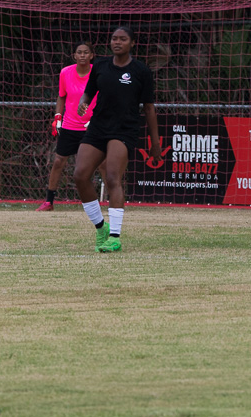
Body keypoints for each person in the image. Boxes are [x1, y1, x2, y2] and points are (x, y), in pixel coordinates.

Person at [73, 26, 161, 252]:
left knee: (112, 177)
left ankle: (114, 237)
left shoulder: (140, 71)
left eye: (123, 39)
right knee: (80, 175)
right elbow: (89, 91)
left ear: (132, 43)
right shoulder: (100, 65)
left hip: (124, 130)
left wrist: (155, 143)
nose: (117, 42)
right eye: (114, 39)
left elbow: (149, 108)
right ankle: (101, 228)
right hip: (98, 127)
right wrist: (84, 102)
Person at [37, 42, 103, 211]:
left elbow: (104, 98)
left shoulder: (98, 72)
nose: (82, 55)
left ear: (91, 55)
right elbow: (62, 96)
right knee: (58, 161)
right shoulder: (66, 72)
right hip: (70, 126)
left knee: (103, 164)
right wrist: (57, 117)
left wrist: (96, 119)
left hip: (92, 127)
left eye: (85, 52)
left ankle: (111, 203)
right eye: (79, 52)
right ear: (74, 55)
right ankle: (49, 201)